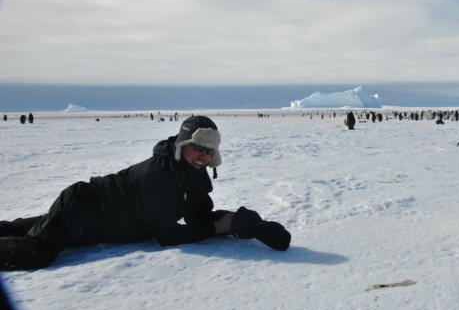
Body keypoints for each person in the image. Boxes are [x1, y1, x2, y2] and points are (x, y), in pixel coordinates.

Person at [0, 116, 291, 271]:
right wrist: (217, 227)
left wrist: (245, 224)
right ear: (182, 144)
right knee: (35, 251)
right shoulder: (158, 175)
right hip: (83, 208)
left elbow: (198, 216)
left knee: (18, 229)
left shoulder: (195, 174)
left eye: (209, 150)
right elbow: (167, 234)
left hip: (98, 223)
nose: (203, 155)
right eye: (198, 147)